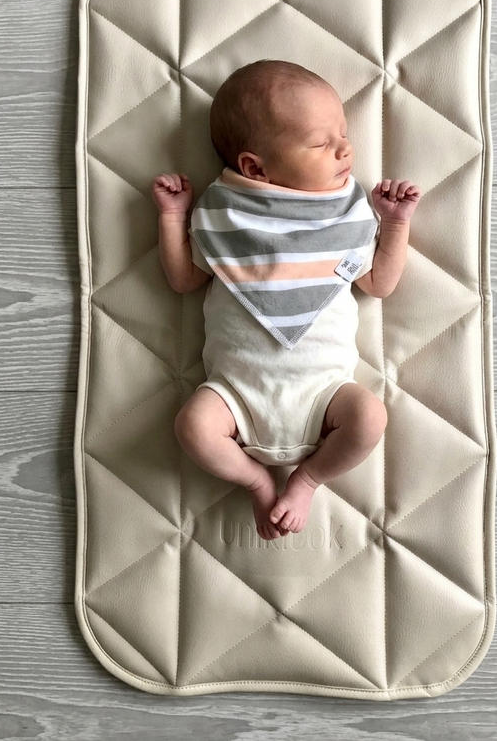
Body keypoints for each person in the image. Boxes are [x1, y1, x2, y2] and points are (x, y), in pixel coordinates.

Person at [151, 60, 421, 541]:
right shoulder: (228, 215)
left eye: (342, 133)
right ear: (256, 167)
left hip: (326, 397)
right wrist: (174, 216)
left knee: (371, 416)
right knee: (192, 426)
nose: (344, 148)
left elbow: (379, 283)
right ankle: (255, 480)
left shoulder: (344, 214)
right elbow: (184, 280)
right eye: (321, 142)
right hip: (235, 397)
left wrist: (394, 224)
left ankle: (307, 479)